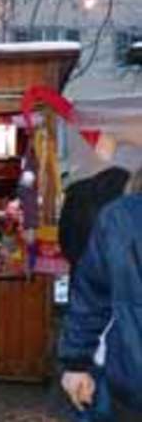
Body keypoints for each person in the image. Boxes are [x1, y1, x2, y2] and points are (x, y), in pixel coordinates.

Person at [59, 168, 142, 420]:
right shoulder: (120, 217)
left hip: (130, 376)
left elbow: (91, 297)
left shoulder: (119, 216)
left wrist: (76, 363)